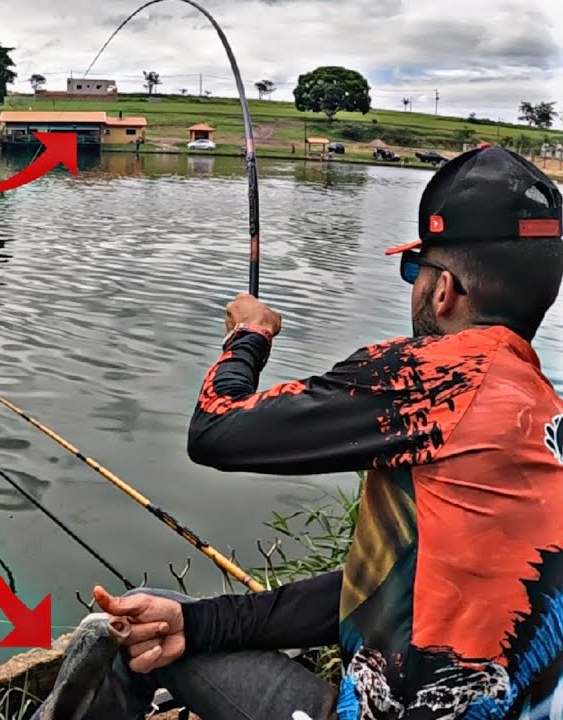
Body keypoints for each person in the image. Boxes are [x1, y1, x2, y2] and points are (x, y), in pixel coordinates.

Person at [73, 144, 563, 720]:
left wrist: (248, 337)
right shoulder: (543, 412)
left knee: (118, 637)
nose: (415, 286)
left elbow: (214, 428)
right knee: (172, 620)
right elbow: (377, 587)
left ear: (443, 291)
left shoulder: (437, 376)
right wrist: (199, 624)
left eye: (415, 268)